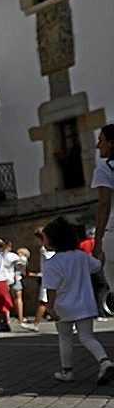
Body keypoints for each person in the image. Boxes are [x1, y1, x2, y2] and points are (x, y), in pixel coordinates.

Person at [41, 217, 113, 384]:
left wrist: (50, 308)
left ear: (53, 240)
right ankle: (104, 361)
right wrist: (100, 255)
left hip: (63, 306)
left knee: (65, 338)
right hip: (86, 305)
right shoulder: (81, 256)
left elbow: (51, 288)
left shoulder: (51, 263)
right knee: (87, 337)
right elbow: (97, 266)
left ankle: (67, 371)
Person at [92, 125, 114, 293]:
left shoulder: (104, 170)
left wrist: (98, 241)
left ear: (111, 143)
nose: (98, 145)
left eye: (101, 140)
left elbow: (104, 205)